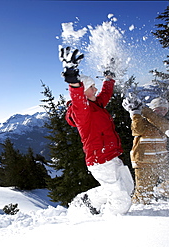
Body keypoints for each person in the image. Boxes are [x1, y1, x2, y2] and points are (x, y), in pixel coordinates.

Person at [60, 46, 134, 215]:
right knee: (121, 200)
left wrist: (109, 77)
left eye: (94, 86)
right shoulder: (82, 112)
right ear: (82, 91)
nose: (95, 89)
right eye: (91, 87)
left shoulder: (96, 105)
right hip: (100, 160)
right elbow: (78, 100)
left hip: (112, 156)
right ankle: (107, 223)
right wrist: (73, 81)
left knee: (127, 187)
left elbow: (105, 94)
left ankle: (89, 200)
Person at [122, 95, 169, 204]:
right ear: (152, 109)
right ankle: (136, 209)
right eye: (159, 108)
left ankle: (159, 193)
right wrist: (135, 113)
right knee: (143, 194)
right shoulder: (143, 121)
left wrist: (143, 108)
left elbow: (158, 121)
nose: (162, 111)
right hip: (143, 162)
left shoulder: (164, 123)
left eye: (165, 109)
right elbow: (137, 130)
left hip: (161, 162)